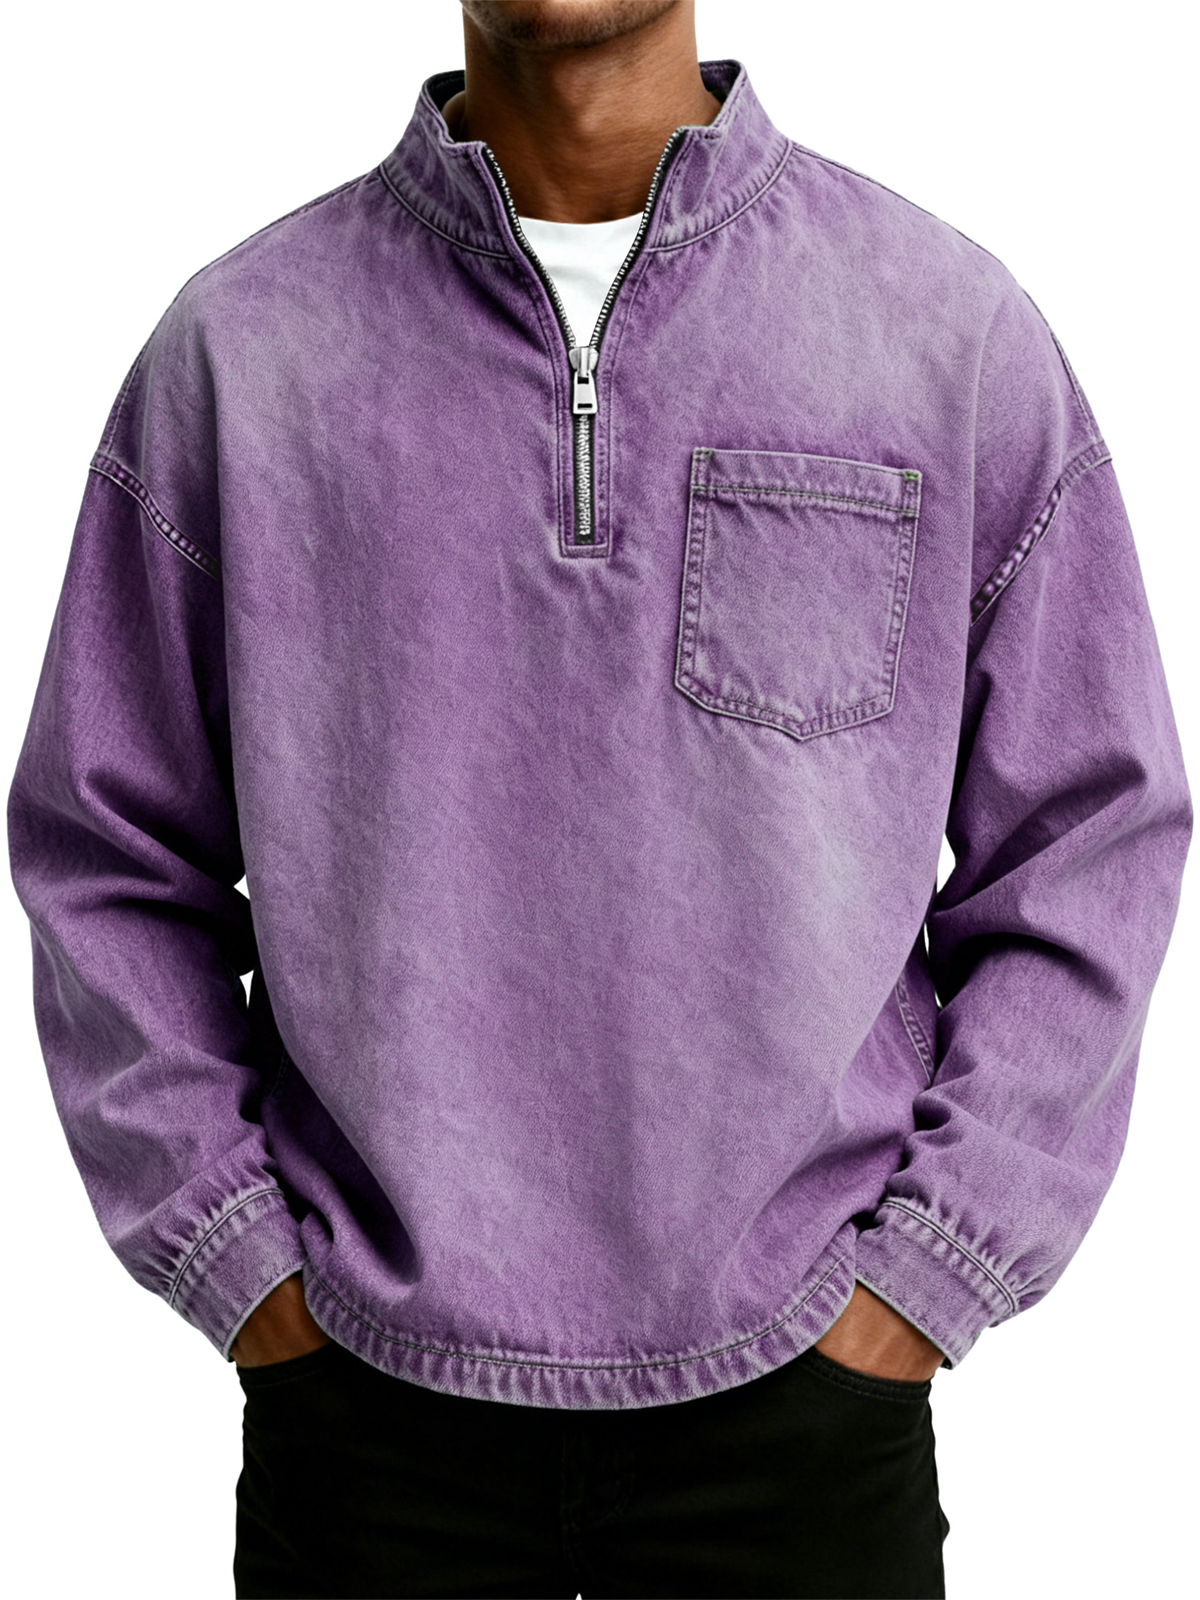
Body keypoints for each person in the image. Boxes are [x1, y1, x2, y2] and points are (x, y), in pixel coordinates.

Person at [6, 0, 1191, 1595]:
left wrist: (926, 1279)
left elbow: (1093, 835)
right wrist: (239, 1261)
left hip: (804, 1413)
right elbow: (103, 848)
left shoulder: (940, 332)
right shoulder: (243, 351)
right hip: (364, 1416)